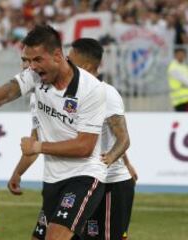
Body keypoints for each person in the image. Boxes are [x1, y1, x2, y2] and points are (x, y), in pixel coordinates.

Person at [0, 25, 107, 240]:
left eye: (37, 60)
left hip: (85, 175)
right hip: (52, 178)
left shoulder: (91, 89)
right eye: (28, 60)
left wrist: (38, 147)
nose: (31, 67)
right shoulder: (35, 76)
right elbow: (5, 92)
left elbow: (85, 146)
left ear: (58, 56)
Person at [67, 38, 137, 240]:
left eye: (71, 61)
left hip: (111, 184)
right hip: (88, 181)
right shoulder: (74, 94)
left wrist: (106, 162)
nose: (66, 65)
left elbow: (123, 139)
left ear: (87, 66)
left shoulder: (107, 93)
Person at [167, 47, 188, 111]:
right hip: (180, 100)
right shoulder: (173, 67)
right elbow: (185, 80)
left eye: (183, 54)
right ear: (175, 55)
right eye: (179, 54)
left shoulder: (184, 66)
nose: (181, 56)